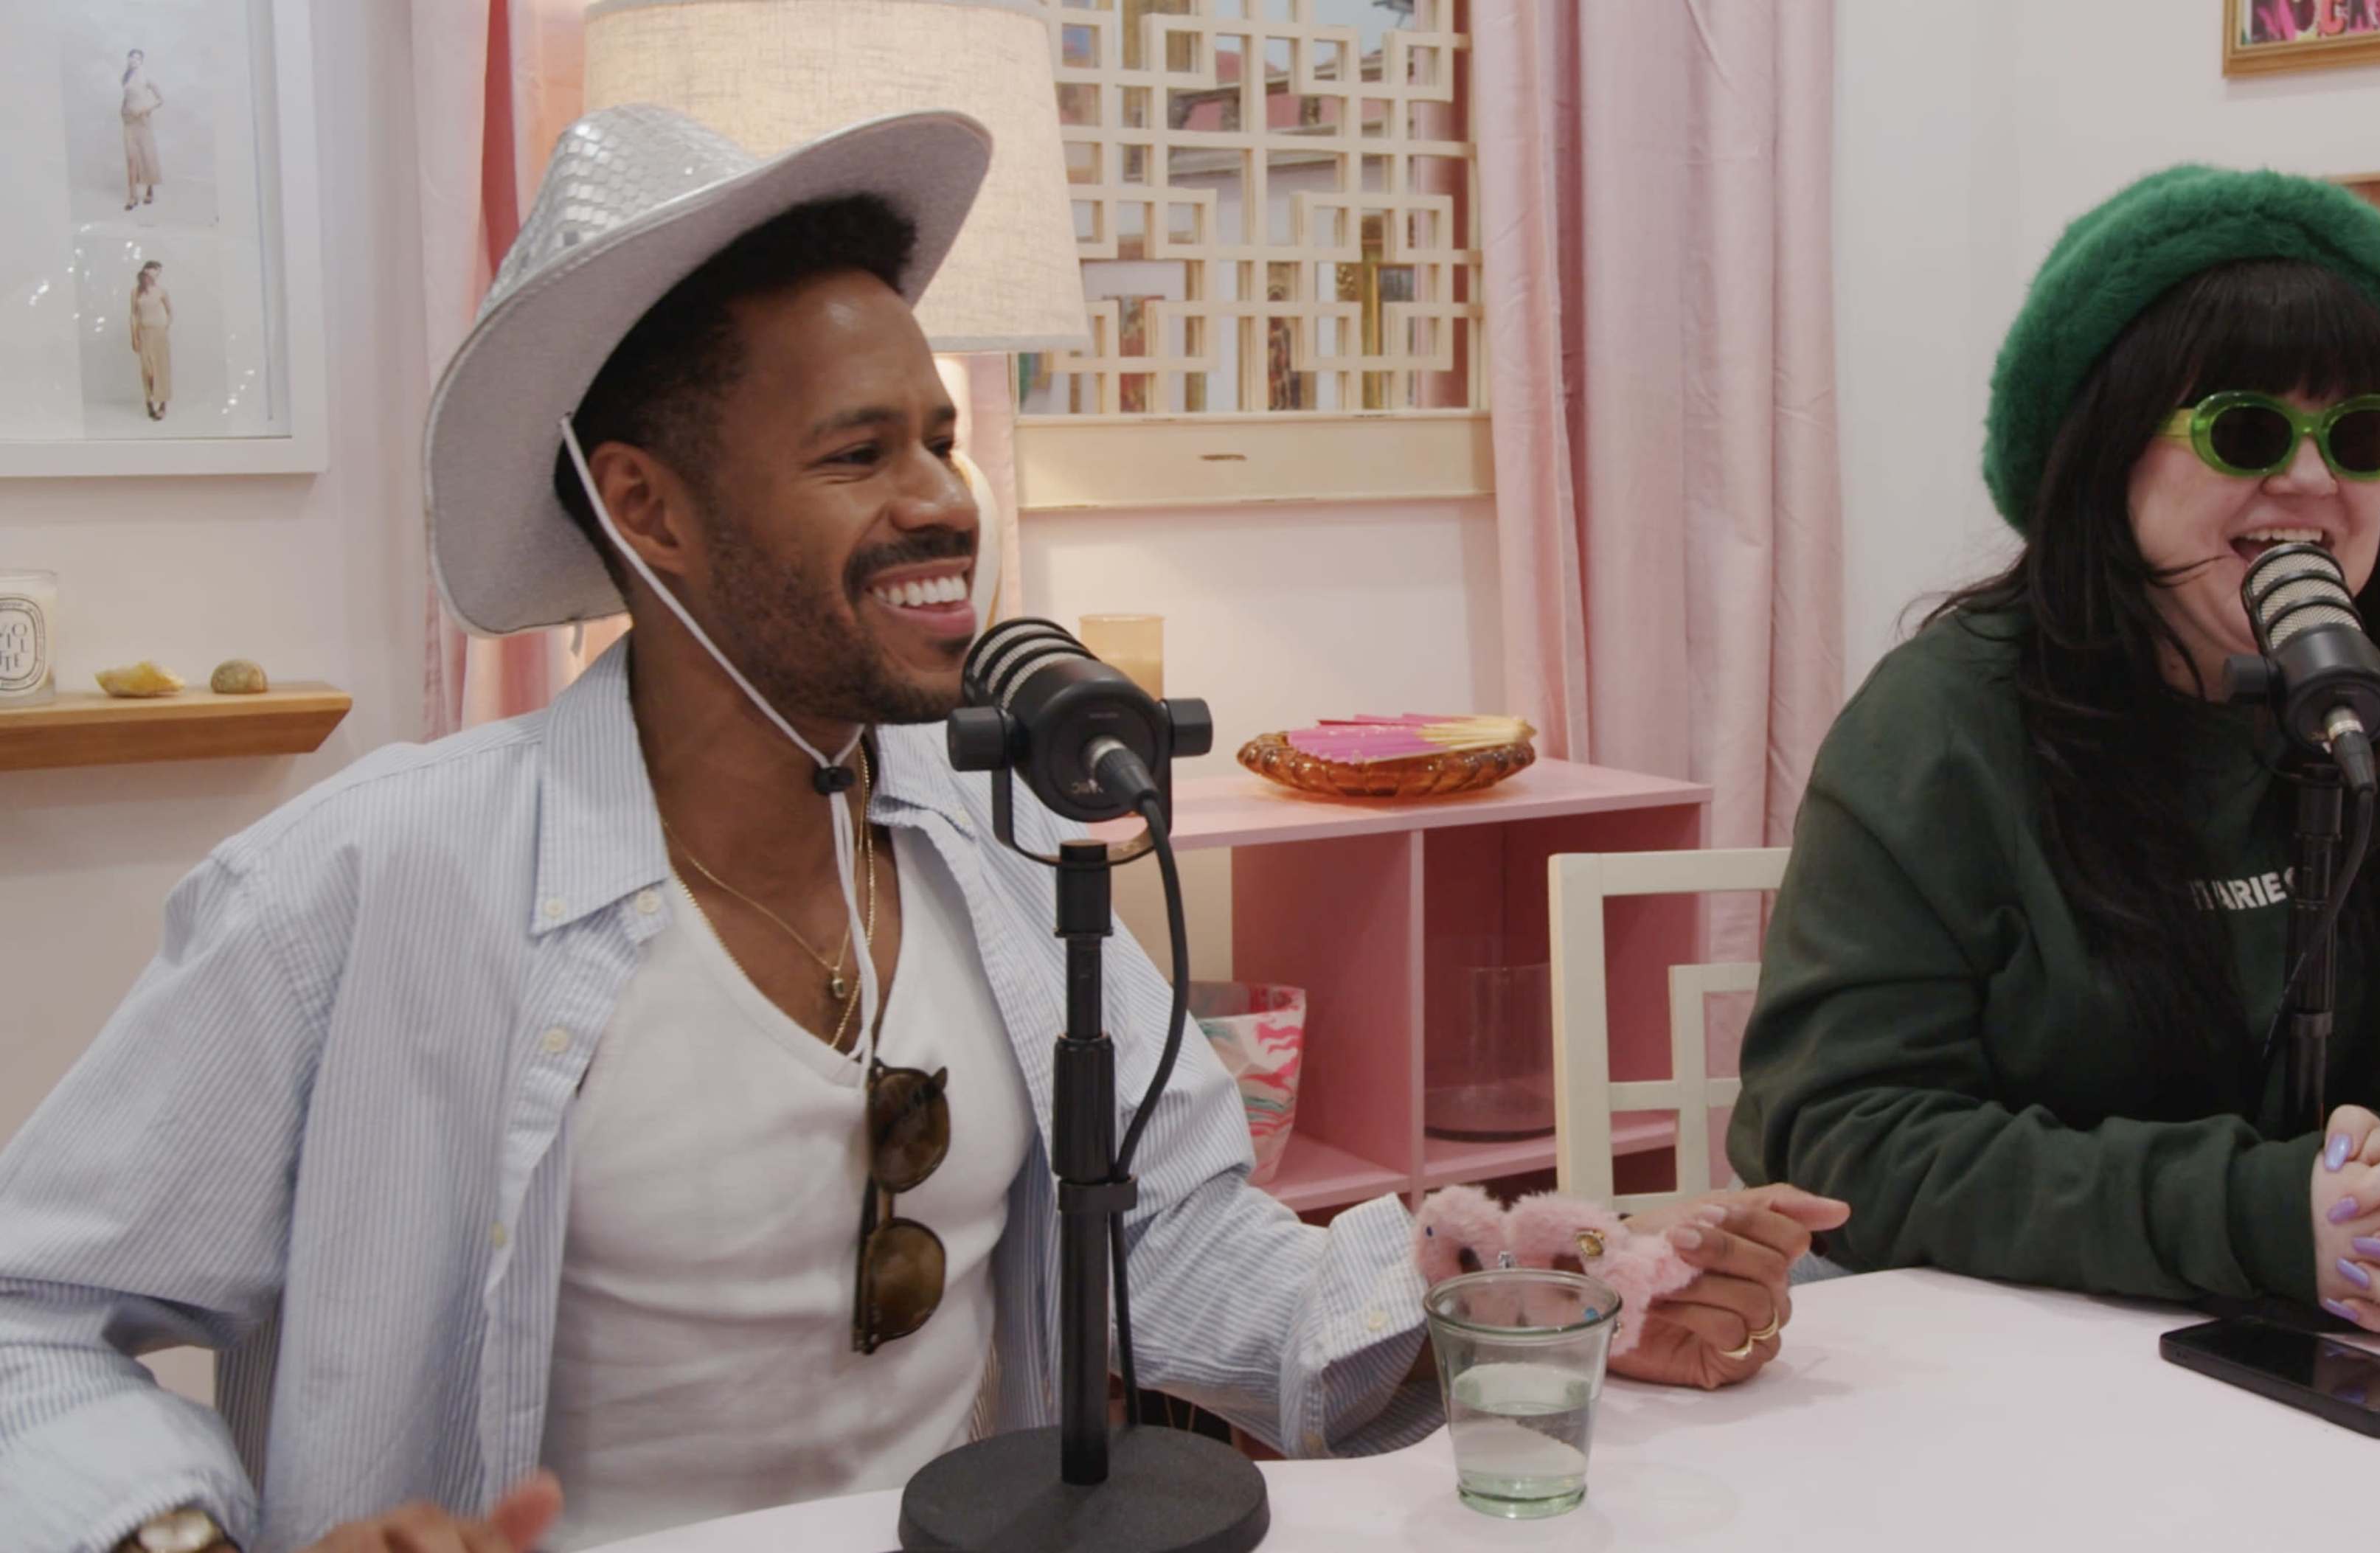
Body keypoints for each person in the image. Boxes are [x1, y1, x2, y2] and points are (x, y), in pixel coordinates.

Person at [0, 107, 1848, 1553]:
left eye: (941, 438)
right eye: (857, 452)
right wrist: (180, 1527)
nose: (941, 502)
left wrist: (1548, 1297)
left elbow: (1195, 1263)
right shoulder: (368, 885)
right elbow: (27, 1319)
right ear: (643, 508)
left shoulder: (999, 842)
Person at [1730, 166, 2380, 1336]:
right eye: (2246, 427)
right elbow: (1837, 1129)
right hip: (2012, 1358)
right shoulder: (1947, 724)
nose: (2309, 479)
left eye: (2359, 436)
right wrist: (2249, 1216)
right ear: (2104, 458)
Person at [127, 263, 169, 421]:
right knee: (148, 370)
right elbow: (133, 315)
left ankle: (163, 404)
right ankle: (150, 401)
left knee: (161, 369)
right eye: (154, 273)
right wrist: (134, 336)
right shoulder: (136, 292)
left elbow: (170, 311)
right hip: (144, 333)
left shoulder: (161, 292)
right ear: (146, 273)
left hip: (159, 333)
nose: (155, 277)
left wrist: (164, 325)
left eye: (158, 274)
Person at [120, 51, 162, 212]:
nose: (133, 60)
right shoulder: (125, 77)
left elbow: (160, 99)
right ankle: (132, 197)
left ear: (142, 61)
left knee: (146, 156)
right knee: (131, 158)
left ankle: (149, 189)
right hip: (129, 122)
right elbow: (128, 97)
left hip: (143, 121)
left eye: (137, 58)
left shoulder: (147, 78)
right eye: (131, 57)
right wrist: (124, 111)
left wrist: (145, 109)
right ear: (128, 59)